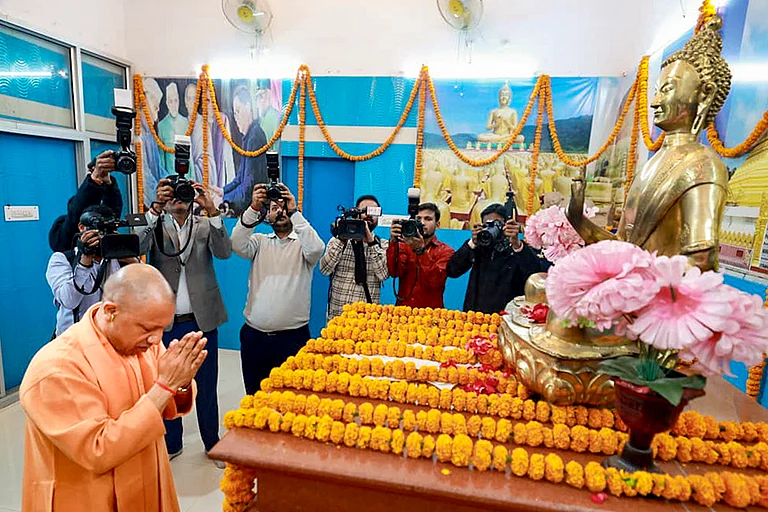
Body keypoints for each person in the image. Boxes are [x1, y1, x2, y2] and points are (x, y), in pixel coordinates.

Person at [20, 264, 208, 512]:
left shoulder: (139, 341)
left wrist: (182, 382)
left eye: (162, 328)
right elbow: (98, 450)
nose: (156, 339)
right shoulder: (57, 367)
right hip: (87, 498)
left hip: (146, 485)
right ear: (110, 311)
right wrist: (167, 385)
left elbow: (167, 403)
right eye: (148, 328)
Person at [137, 177, 232, 466]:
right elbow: (136, 245)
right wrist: (155, 208)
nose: (179, 198)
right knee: (167, 384)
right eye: (173, 193)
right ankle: (172, 441)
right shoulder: (154, 224)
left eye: (183, 193)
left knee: (206, 384)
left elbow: (224, 252)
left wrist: (212, 210)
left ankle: (211, 441)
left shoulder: (204, 225)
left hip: (202, 319)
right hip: (165, 322)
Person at [231, 183, 324, 394]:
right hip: (254, 337)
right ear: (267, 216)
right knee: (255, 396)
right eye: (274, 208)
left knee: (292, 400)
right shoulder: (259, 242)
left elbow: (318, 249)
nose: (279, 212)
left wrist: (295, 212)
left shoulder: (304, 246)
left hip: (293, 339)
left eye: (283, 208)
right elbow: (236, 244)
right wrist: (253, 208)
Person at [46, 205, 138, 338]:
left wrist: (132, 260)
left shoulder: (117, 258)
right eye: (98, 231)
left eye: (108, 231)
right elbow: (69, 300)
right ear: (81, 227)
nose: (101, 236)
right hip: (74, 342)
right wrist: (84, 261)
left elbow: (143, 293)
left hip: (110, 339)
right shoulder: (62, 259)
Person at [447, 203, 542, 313]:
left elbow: (534, 274)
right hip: (477, 318)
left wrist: (517, 245)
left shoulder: (518, 249)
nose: (491, 229)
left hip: (506, 317)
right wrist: (472, 243)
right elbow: (452, 270)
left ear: (507, 225)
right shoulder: (478, 247)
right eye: (487, 224)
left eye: (496, 224)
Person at [320, 195, 389, 320]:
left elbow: (383, 275)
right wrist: (341, 239)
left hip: (367, 321)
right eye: (364, 210)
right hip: (338, 319)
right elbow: (324, 269)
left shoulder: (382, 245)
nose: (368, 215)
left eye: (374, 212)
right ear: (355, 213)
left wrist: (371, 243)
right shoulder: (337, 241)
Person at [49, 152, 123, 253]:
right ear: (81, 226)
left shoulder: (109, 242)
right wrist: (94, 179)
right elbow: (75, 217)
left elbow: (112, 213)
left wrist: (109, 185)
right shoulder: (64, 240)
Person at [387, 202, 455, 308]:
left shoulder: (446, 251)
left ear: (437, 225)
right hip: (403, 313)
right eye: (418, 219)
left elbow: (436, 281)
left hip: (431, 314)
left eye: (428, 219)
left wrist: (421, 250)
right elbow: (394, 272)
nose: (422, 223)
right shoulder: (404, 246)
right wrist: (393, 242)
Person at [223, 86, 268, 214]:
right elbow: (239, 179)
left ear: (248, 107)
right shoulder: (248, 137)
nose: (235, 118)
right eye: (234, 113)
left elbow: (248, 188)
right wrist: (221, 191)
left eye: (238, 111)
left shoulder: (255, 137)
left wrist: (223, 198)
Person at [142, 78, 169, 208]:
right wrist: (162, 200)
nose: (157, 113)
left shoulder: (150, 133)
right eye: (155, 107)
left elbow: (158, 169)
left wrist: (171, 182)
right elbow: (145, 177)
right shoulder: (137, 135)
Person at [158, 82, 189, 172]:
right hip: (169, 174)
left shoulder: (185, 122)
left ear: (179, 101)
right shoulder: (162, 125)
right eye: (171, 101)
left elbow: (190, 155)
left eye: (176, 100)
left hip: (186, 174)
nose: (174, 105)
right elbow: (161, 156)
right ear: (167, 103)